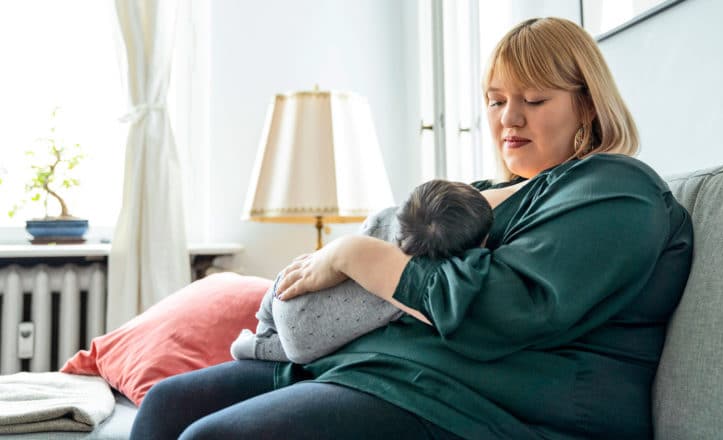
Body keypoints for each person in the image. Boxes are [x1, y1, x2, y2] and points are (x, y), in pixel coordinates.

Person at [130, 17, 693, 440]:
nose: (509, 119)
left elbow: (511, 309)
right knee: (167, 405)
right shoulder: (481, 190)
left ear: (588, 107)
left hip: (489, 405)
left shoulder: (616, 188)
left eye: (534, 99)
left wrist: (356, 255)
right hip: (385, 370)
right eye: (496, 101)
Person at [230, 179, 494, 364]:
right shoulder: (409, 280)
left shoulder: (384, 219)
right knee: (290, 349)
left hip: (287, 287)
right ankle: (252, 347)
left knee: (292, 276)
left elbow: (366, 229)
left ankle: (263, 323)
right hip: (303, 342)